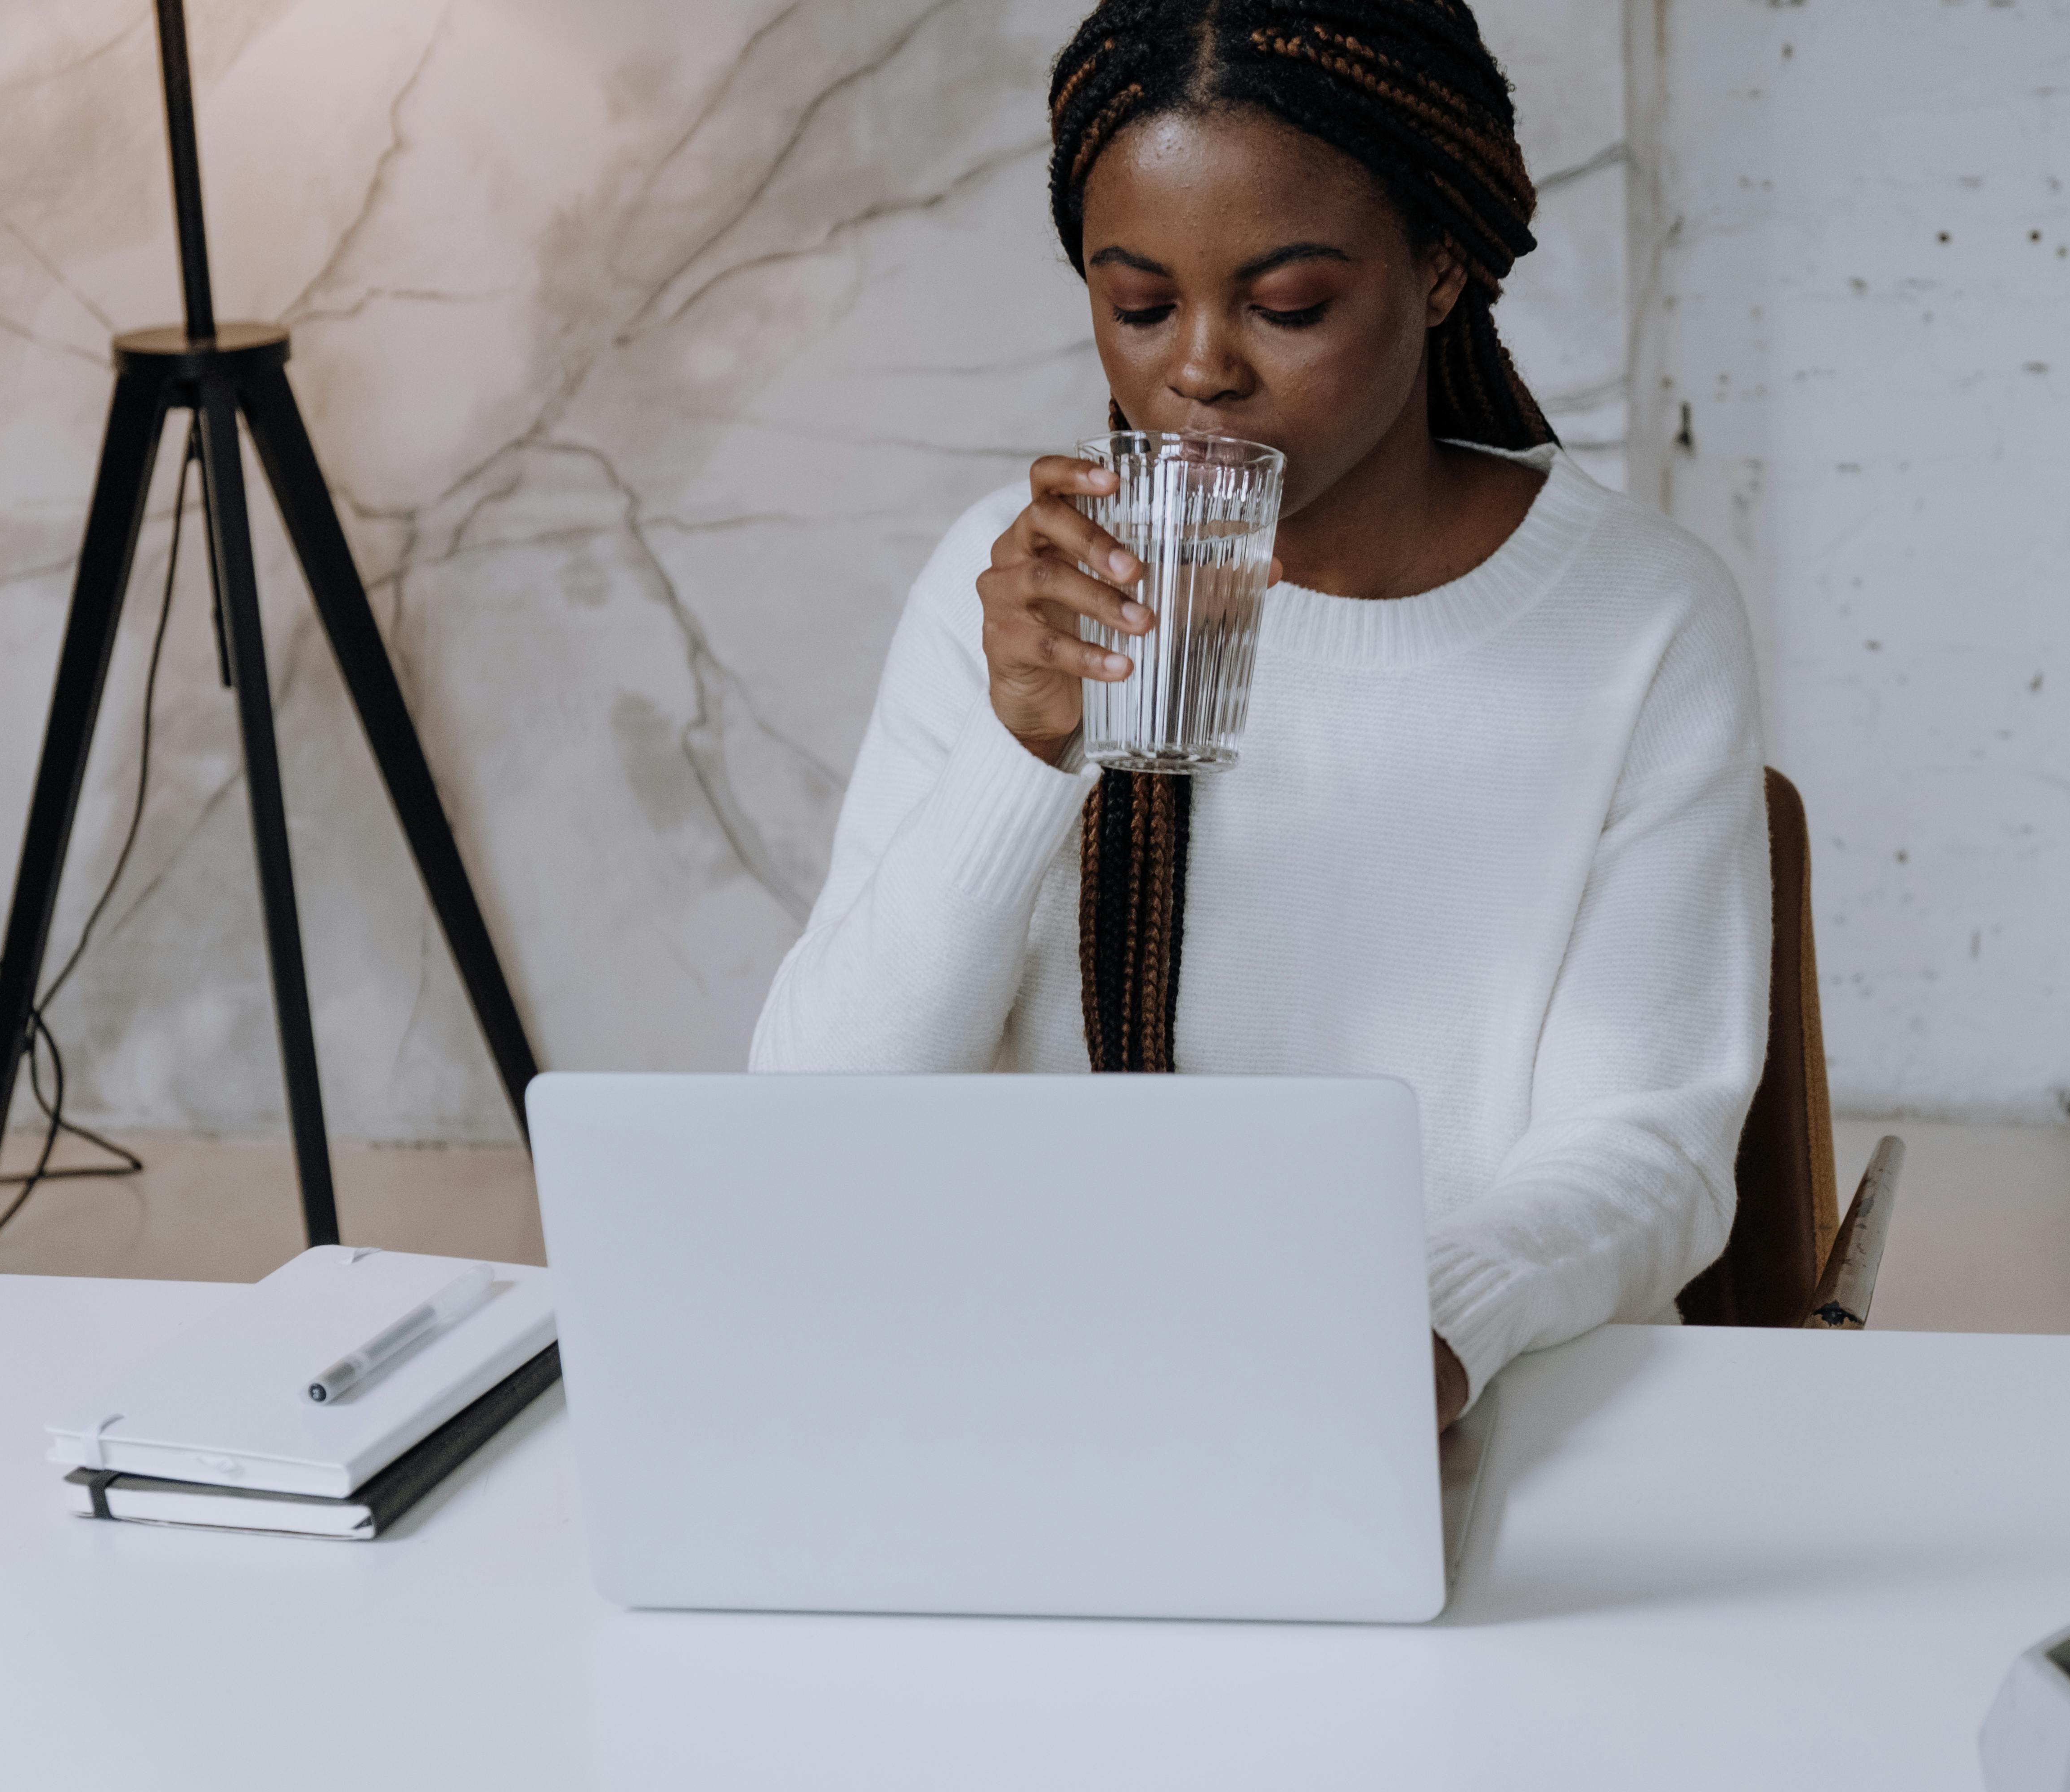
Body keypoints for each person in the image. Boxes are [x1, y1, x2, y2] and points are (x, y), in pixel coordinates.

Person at [752, 0, 1771, 1429]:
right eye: (1139, 305)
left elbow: (1647, 1145)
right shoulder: (1015, 593)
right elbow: (813, 1129)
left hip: (1460, 1405)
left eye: (1288, 307)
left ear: (1439, 269)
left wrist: (1411, 1342)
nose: (1201, 369)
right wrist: (1024, 752)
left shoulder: (1638, 619)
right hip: (1042, 1391)